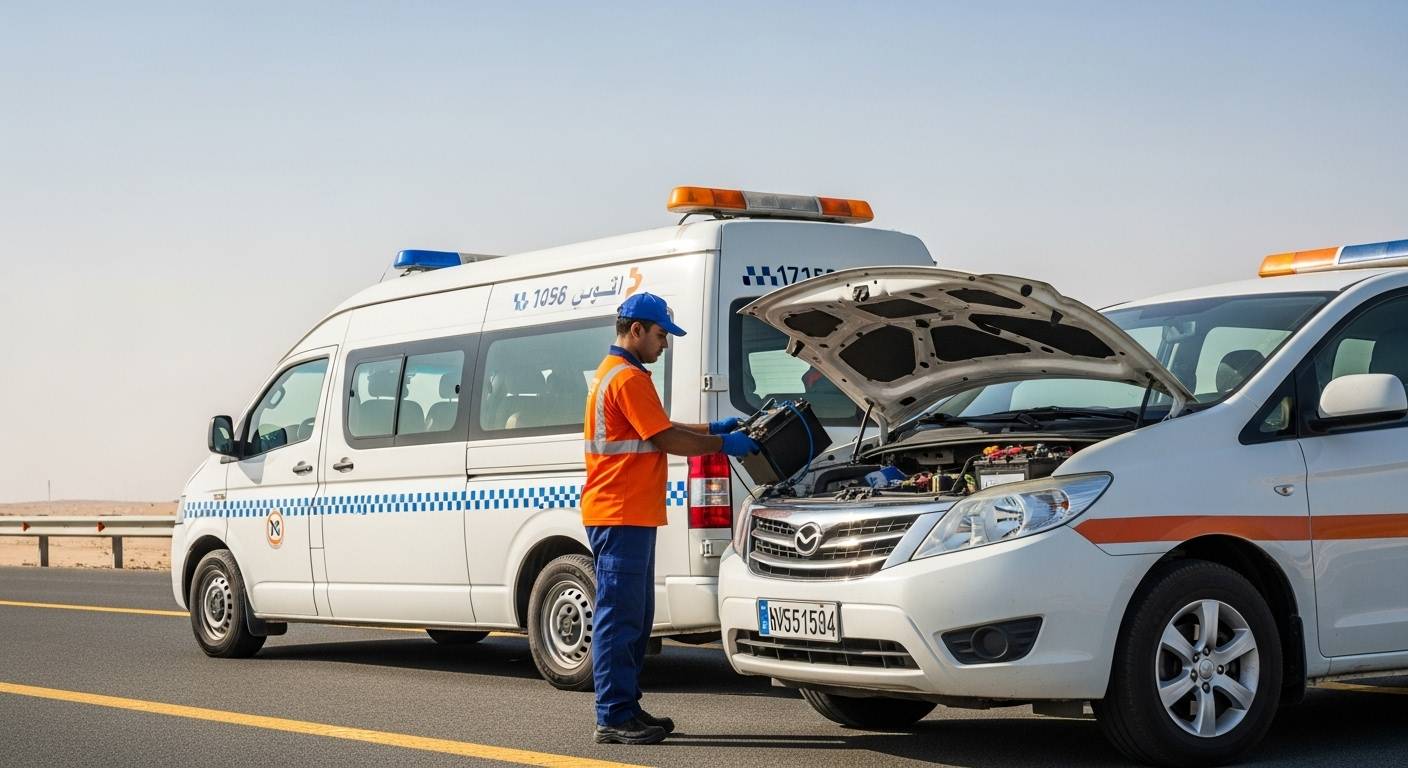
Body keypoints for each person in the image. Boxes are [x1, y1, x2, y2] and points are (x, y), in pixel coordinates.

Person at [582, 292, 758, 745]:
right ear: (636, 330)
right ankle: (614, 715)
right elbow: (663, 438)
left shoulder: (622, 375)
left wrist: (713, 429)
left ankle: (625, 707)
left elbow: (660, 426)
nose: (665, 345)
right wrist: (724, 446)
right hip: (620, 513)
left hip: (627, 513)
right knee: (620, 617)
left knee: (635, 617)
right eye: (661, 336)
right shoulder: (628, 378)